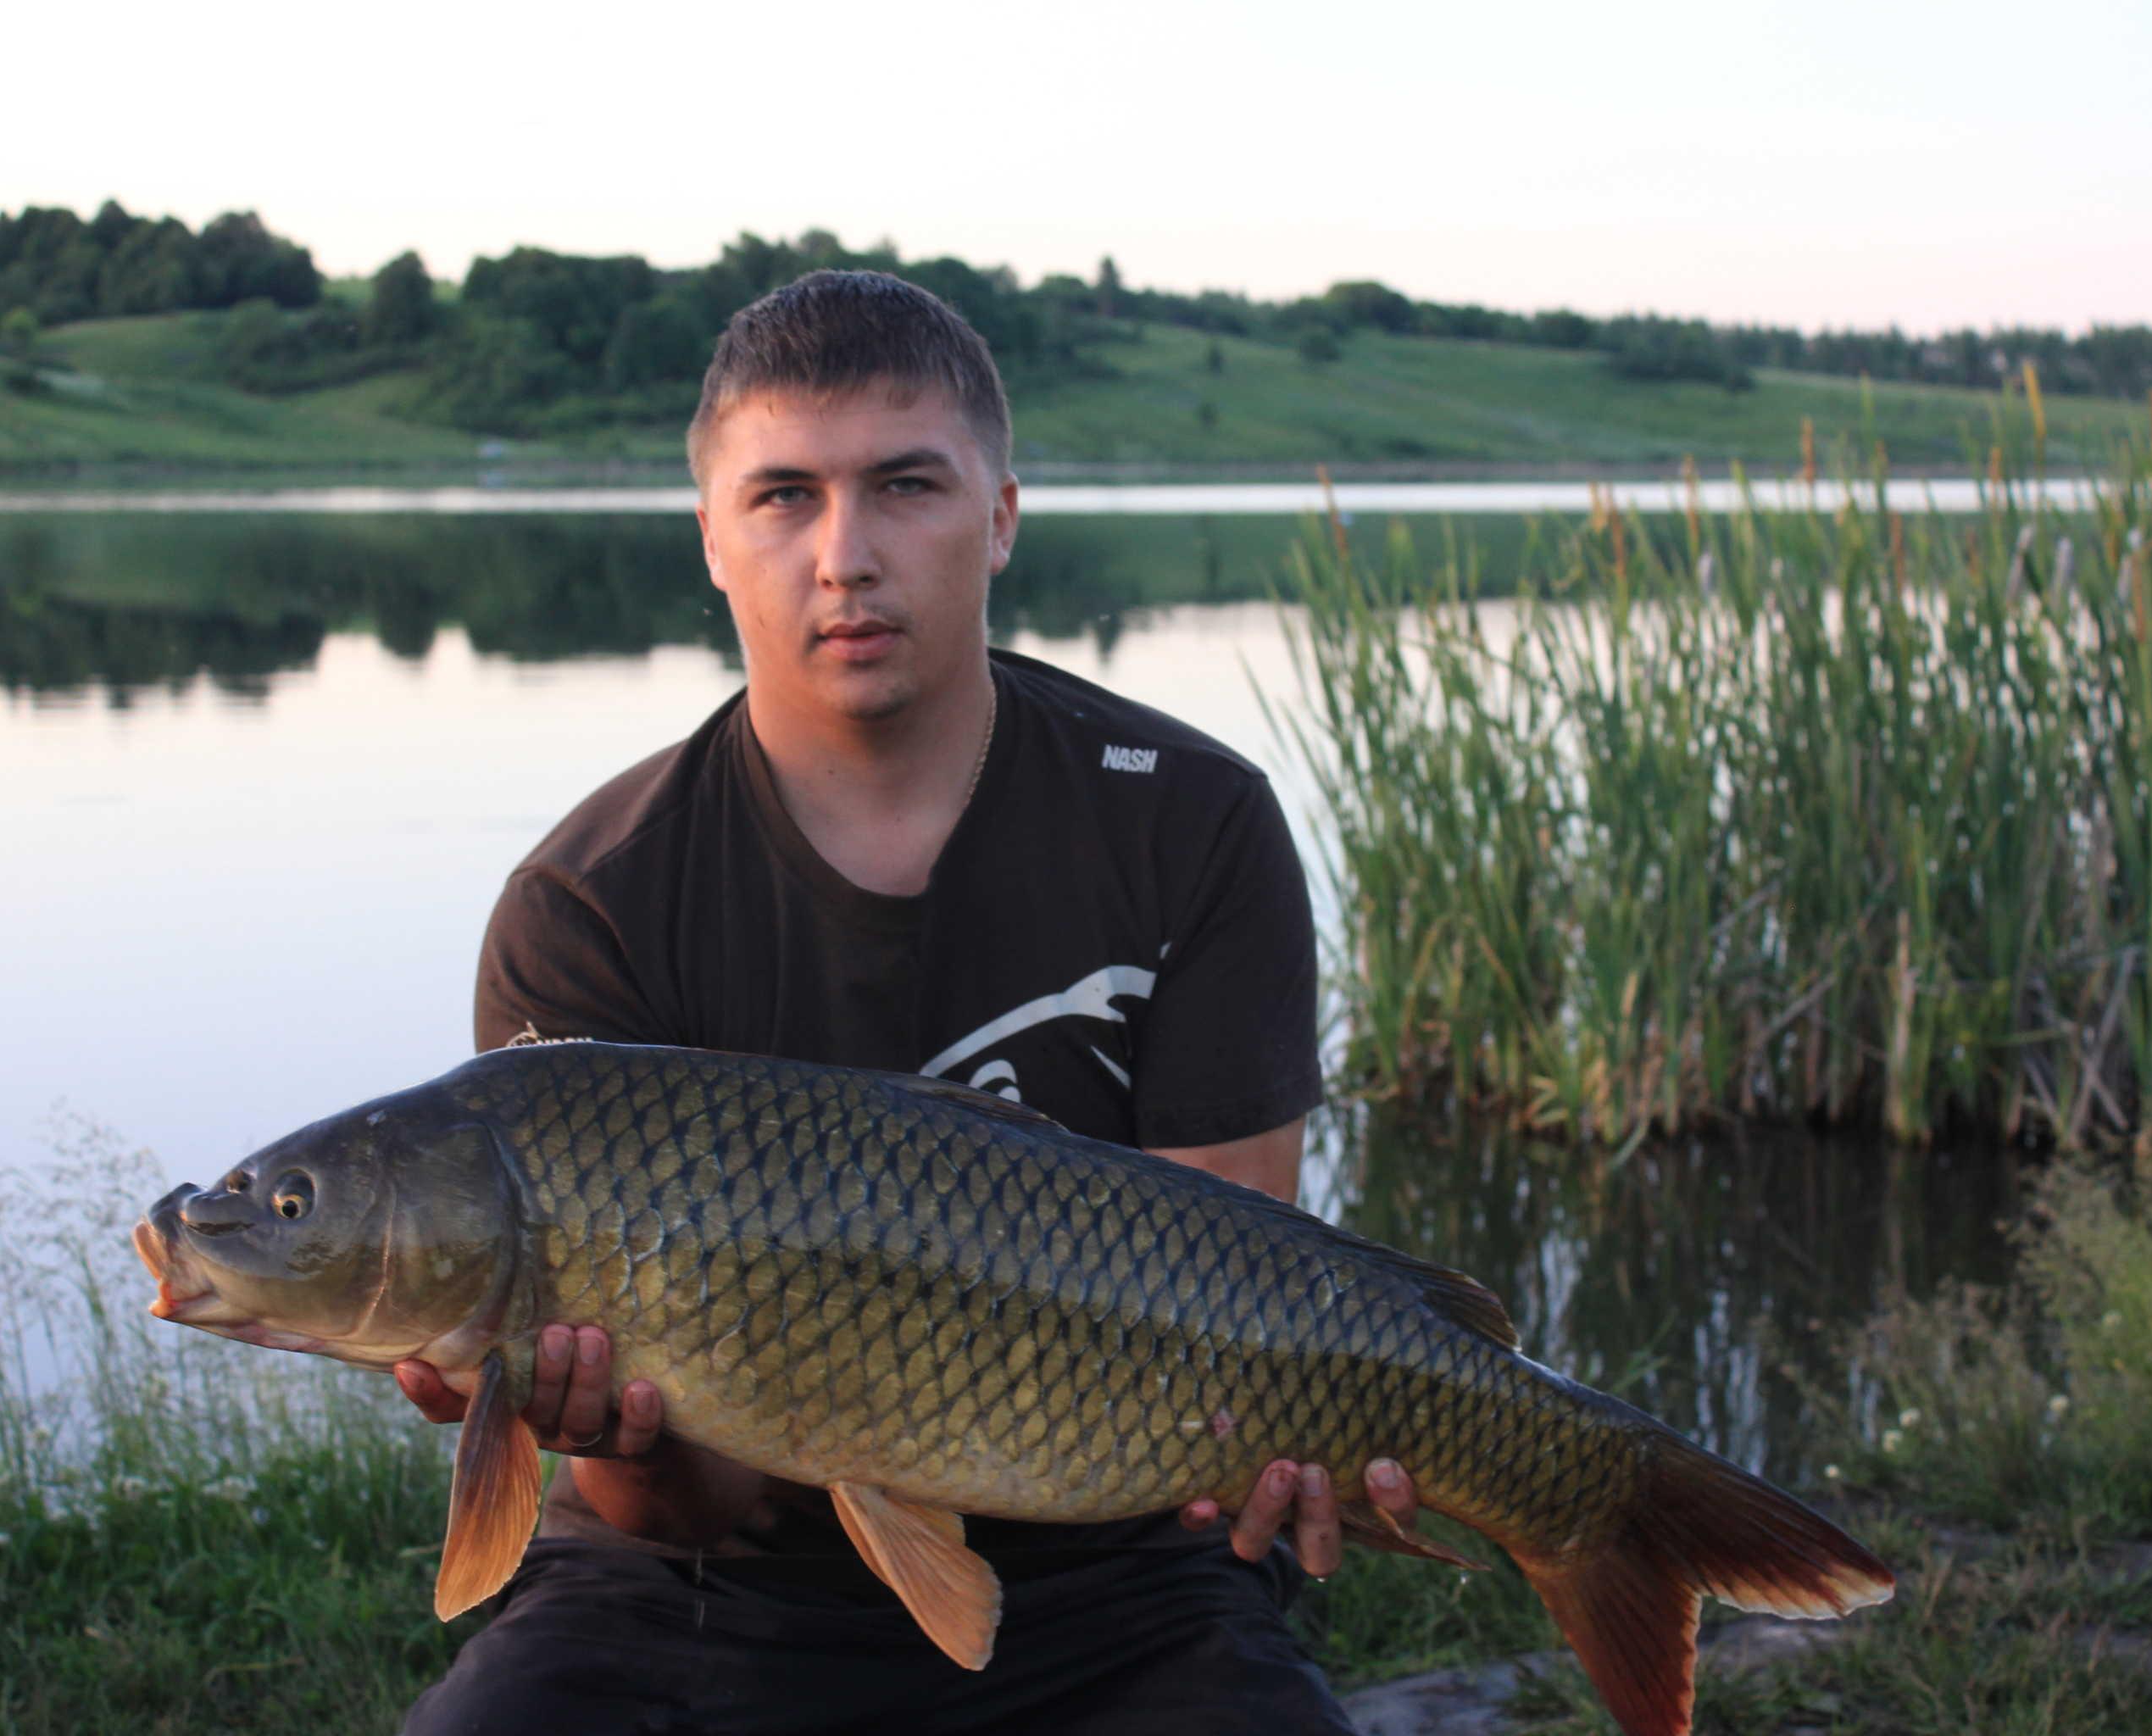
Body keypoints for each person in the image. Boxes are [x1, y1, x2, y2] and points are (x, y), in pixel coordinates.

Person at [395, 270, 1416, 1734]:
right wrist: (585, 1422)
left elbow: (1238, 1315)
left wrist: (1304, 1438)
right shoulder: (590, 903)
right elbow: (658, 1498)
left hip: (1120, 1566)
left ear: (1001, 514)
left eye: (907, 487)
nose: (846, 555)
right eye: (784, 498)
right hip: (705, 1583)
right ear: (712, 540)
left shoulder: (1193, 824)